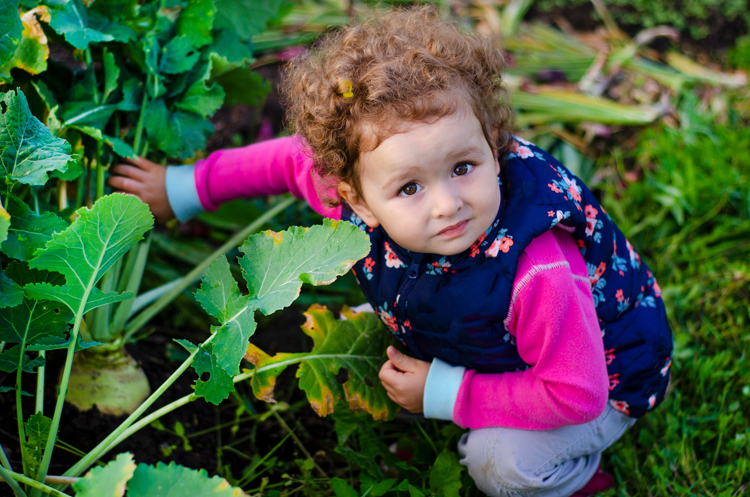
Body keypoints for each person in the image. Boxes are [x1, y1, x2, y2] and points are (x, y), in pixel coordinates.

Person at [108, 7, 672, 496]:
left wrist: (447, 392)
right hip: (497, 338)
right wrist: (184, 189)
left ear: (493, 147)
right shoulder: (357, 188)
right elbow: (285, 161)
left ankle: (571, 476)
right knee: (362, 337)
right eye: (410, 188)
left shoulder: (539, 270)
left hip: (599, 378)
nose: (447, 204)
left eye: (463, 167)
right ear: (357, 199)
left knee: (499, 466)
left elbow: (575, 391)